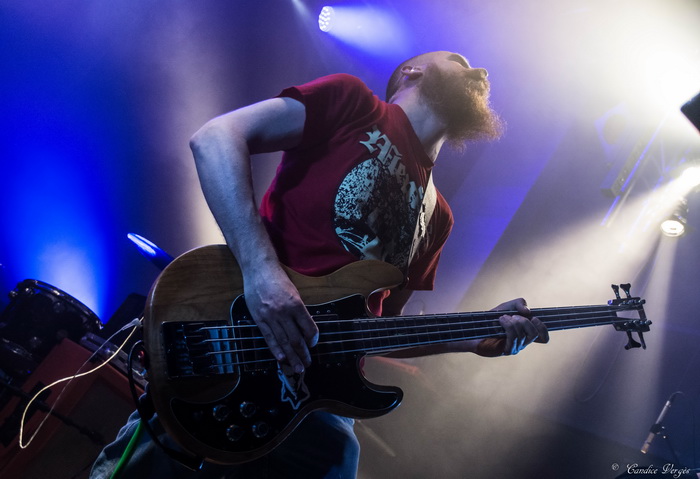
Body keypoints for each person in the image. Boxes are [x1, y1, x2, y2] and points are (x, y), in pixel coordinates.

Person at [90, 50, 549, 479]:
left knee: (337, 454)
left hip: (316, 399)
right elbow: (215, 138)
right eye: (459, 60)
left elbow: (380, 328)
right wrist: (263, 275)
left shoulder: (439, 216)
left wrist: (472, 338)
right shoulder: (355, 103)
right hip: (237, 337)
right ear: (412, 71)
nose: (480, 72)